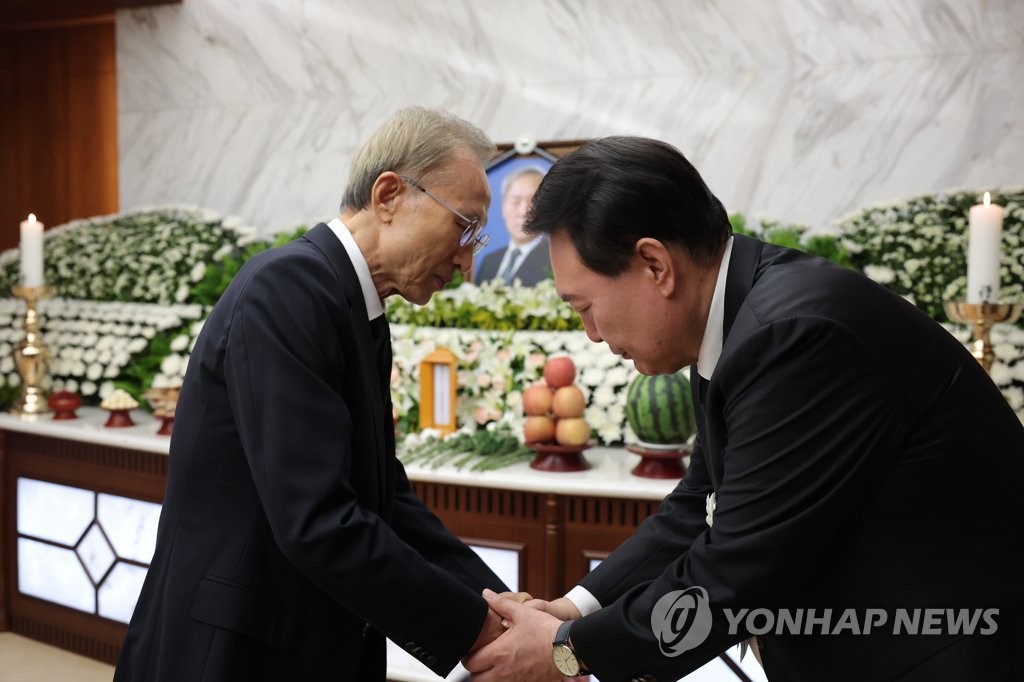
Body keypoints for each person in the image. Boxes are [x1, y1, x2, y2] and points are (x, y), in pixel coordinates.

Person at [463, 136, 1024, 681]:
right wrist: (575, 610)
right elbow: (698, 507)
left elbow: (733, 575)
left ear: (655, 264)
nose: (590, 333)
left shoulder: (793, 336)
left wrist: (568, 652)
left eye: (585, 307)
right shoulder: (741, 316)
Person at [114, 107, 514, 681]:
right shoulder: (289, 289)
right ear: (389, 195)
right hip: (235, 651)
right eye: (464, 227)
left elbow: (382, 495)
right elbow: (318, 519)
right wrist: (476, 628)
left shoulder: (352, 303)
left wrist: (495, 602)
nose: (468, 262)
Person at [475, 165, 551, 285]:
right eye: (515, 202)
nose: (523, 211)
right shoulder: (489, 261)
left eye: (534, 201)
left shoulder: (554, 258)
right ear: (503, 206)